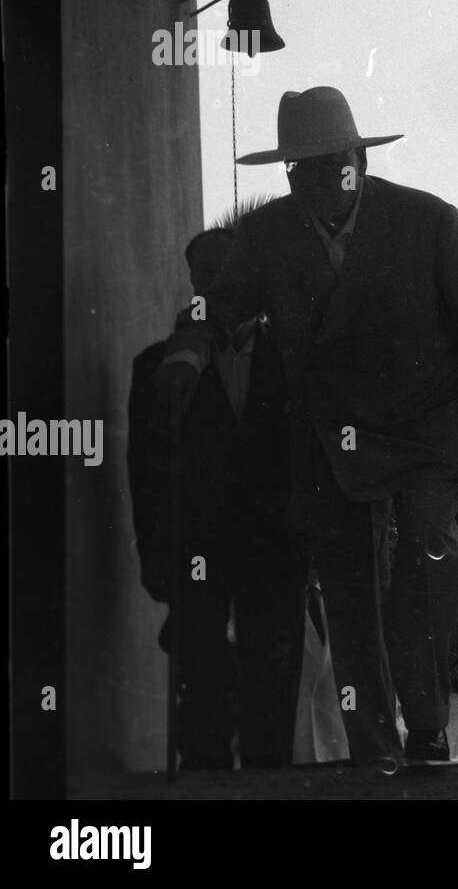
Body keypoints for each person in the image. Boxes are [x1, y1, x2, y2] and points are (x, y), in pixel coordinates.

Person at [154, 87, 458, 766]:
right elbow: (218, 308)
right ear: (288, 175)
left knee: (426, 567)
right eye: (303, 169)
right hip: (331, 440)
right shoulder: (268, 237)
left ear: (358, 156)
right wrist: (185, 352)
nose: (320, 179)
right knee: (350, 601)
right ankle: (376, 749)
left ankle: (428, 721)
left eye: (332, 164)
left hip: (426, 432)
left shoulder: (429, 222)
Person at [128, 225, 307, 769]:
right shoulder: (157, 368)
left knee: (272, 680)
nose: (216, 282)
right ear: (193, 281)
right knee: (200, 681)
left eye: (227, 270)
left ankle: (267, 786)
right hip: (194, 549)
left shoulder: (297, 363)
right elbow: (146, 474)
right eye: (204, 272)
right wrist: (156, 562)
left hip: (275, 546)